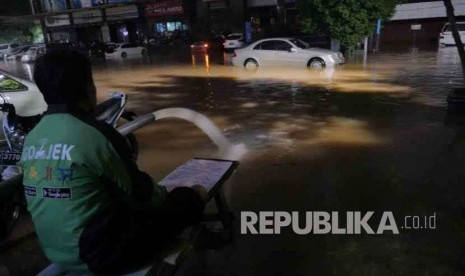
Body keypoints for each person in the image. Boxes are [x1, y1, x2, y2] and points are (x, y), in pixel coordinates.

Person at [19, 50, 207, 275]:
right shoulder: (96, 134)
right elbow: (144, 194)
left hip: (55, 251)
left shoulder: (33, 137)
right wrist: (177, 196)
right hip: (99, 256)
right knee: (189, 198)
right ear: (87, 87)